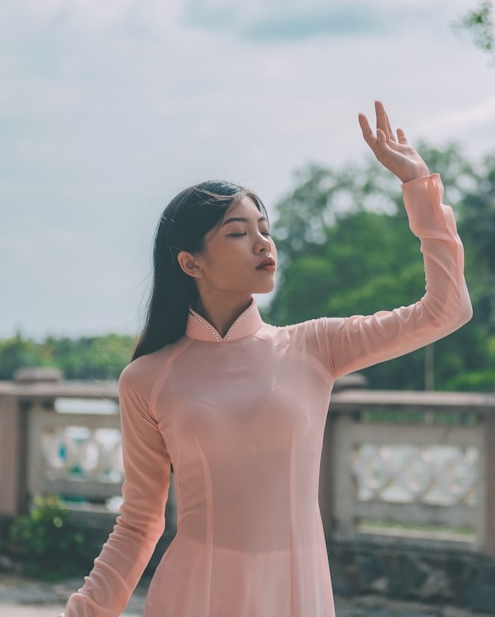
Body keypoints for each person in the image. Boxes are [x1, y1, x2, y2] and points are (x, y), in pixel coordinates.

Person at [61, 101, 472, 616]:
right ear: (190, 262)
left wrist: (419, 187)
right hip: (197, 594)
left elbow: (446, 309)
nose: (262, 243)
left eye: (264, 228)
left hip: (297, 592)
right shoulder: (148, 379)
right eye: (238, 232)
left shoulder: (315, 346)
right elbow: (140, 523)